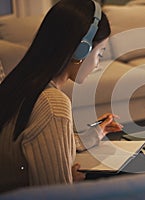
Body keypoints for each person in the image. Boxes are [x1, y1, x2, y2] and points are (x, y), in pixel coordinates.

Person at [0, 0, 123, 193]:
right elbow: (56, 195)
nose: (98, 64)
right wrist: (70, 181)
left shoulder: (19, 84)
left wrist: (95, 134)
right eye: (99, 53)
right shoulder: (53, 104)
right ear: (81, 49)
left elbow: (41, 144)